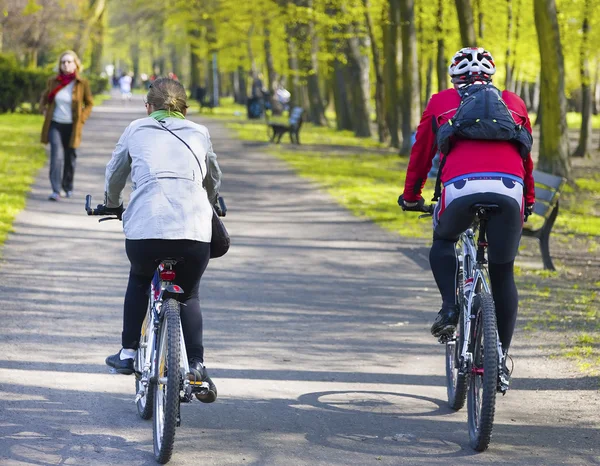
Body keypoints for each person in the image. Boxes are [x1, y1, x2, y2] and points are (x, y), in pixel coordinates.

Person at [398, 47, 535, 390]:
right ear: (491, 76)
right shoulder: (513, 103)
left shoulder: (440, 101)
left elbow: (422, 152)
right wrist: (528, 201)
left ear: (454, 77)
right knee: (503, 272)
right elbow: (526, 155)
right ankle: (499, 358)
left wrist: (412, 195)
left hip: (460, 187)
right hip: (510, 188)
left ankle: (449, 308)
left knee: (444, 240)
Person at [103, 77, 222, 403]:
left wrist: (111, 204)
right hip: (193, 233)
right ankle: (196, 364)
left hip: (146, 230)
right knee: (190, 294)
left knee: (141, 279)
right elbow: (212, 178)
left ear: (148, 107)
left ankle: (128, 352)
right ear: (185, 108)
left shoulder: (137, 129)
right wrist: (208, 203)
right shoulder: (199, 133)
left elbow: (115, 173)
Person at [40, 50, 93, 201]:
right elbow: (44, 98)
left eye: (69, 61)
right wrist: (43, 109)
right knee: (56, 156)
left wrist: (82, 118)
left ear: (75, 64)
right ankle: (55, 190)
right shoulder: (53, 81)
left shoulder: (81, 83)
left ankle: (67, 187)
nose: (66, 64)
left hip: (73, 126)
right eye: (63, 62)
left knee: (70, 157)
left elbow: (89, 103)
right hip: (55, 124)